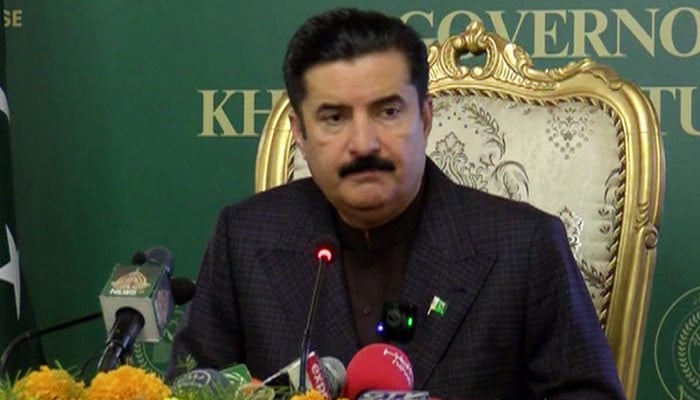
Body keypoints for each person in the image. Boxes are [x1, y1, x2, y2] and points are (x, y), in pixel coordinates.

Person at [168, 7, 625, 399]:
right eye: (334, 117)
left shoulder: (523, 246)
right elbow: (190, 387)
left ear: (424, 118)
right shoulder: (245, 238)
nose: (364, 143)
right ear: (300, 133)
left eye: (388, 111)